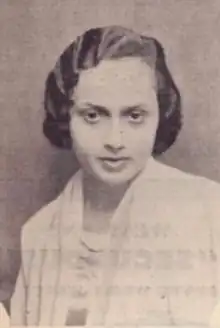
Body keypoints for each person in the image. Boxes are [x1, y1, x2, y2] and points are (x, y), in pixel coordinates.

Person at [10, 26, 220, 326]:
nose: (115, 140)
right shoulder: (40, 233)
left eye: (134, 116)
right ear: (66, 117)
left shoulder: (209, 211)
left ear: (160, 115)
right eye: (93, 115)